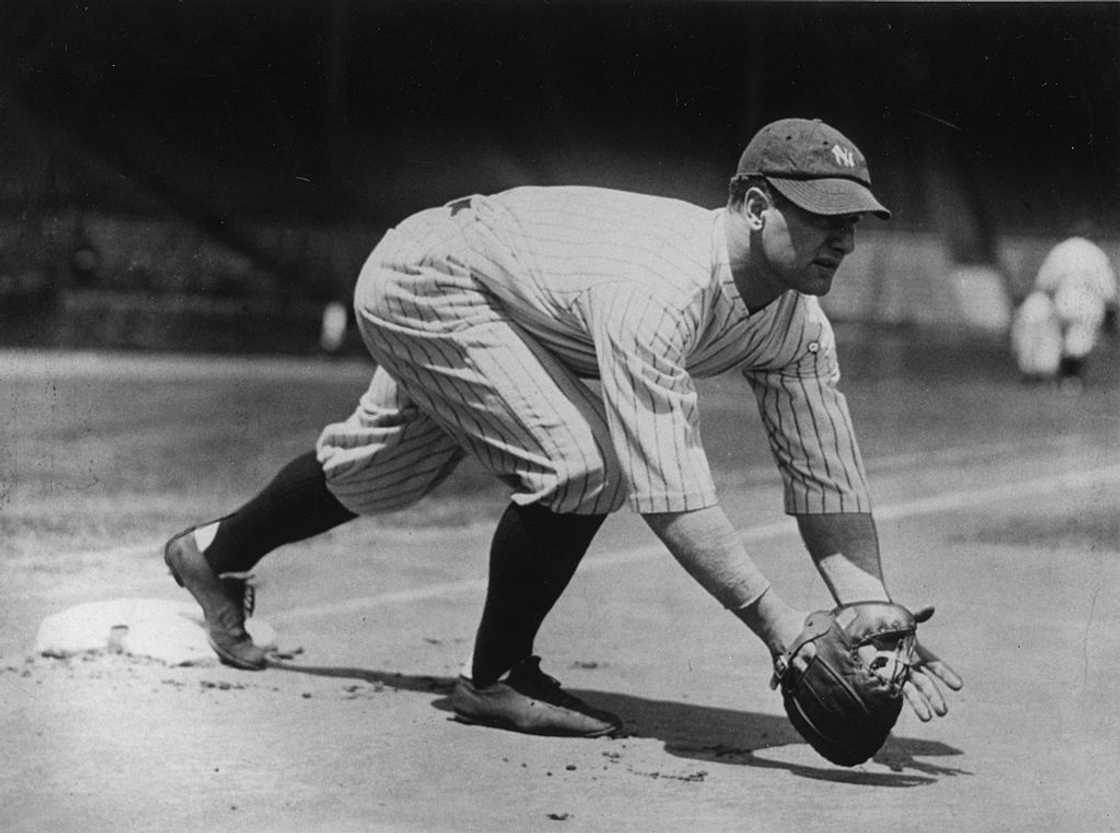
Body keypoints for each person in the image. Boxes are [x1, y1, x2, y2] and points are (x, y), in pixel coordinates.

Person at [165, 117, 963, 739]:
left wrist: (866, 604)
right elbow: (672, 495)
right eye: (824, 215)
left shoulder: (797, 322)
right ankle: (495, 678)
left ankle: (211, 555)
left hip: (518, 300)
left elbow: (826, 475)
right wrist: (785, 633)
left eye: (854, 218)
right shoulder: (662, 284)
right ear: (754, 207)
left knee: (381, 469)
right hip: (434, 276)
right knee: (584, 463)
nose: (846, 239)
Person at [1011, 221, 1118, 392]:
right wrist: (1110, 315)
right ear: (1090, 235)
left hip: (1064, 300)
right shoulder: (1096, 254)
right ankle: (1071, 379)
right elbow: (1108, 289)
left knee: (1054, 338)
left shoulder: (1060, 250)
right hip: (1088, 303)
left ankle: (1045, 375)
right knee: (1079, 340)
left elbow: (1044, 282)